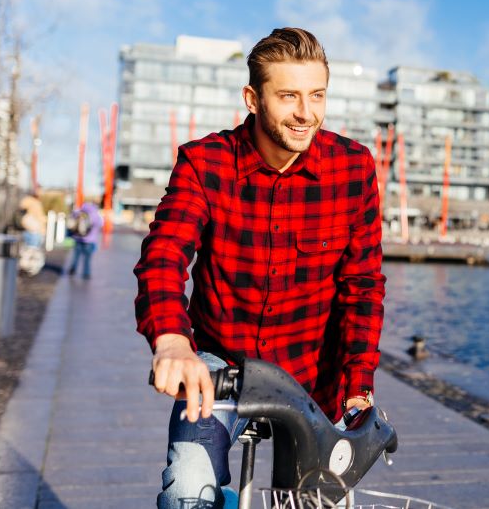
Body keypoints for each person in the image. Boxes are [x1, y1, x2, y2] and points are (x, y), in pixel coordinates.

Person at [133, 27, 385, 509]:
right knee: (188, 492)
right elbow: (164, 254)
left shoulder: (353, 168)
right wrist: (171, 341)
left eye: (317, 95)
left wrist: (359, 386)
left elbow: (363, 287)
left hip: (315, 377)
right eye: (288, 96)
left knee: (314, 503)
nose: (305, 113)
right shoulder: (204, 163)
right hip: (220, 364)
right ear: (252, 98)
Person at [68, 201, 103, 278]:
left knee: (76, 256)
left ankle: (73, 269)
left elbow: (72, 219)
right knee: (87, 259)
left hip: (78, 238)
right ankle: (86, 273)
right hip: (89, 241)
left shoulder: (79, 211)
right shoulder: (95, 214)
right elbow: (100, 224)